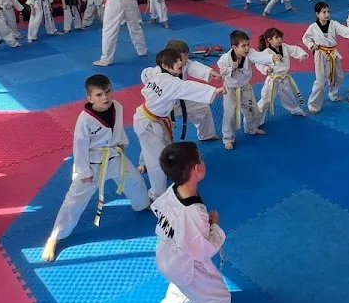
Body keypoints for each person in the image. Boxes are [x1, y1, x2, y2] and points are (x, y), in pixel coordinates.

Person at [41, 74, 151, 262]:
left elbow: (119, 129)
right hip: (92, 166)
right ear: (90, 98)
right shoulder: (85, 120)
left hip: (115, 156)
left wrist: (122, 143)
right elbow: (79, 147)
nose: (105, 97)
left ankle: (143, 204)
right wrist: (83, 172)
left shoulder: (117, 107)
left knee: (134, 180)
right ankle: (55, 236)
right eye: (99, 95)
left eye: (108, 92)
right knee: (74, 201)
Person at [152, 141, 230, 303]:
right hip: (188, 265)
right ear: (197, 168)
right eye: (201, 159)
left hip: (168, 257)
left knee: (183, 283)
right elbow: (202, 251)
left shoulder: (172, 191)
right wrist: (214, 226)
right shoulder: (193, 212)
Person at [135, 49, 224, 198]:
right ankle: (156, 195)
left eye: (180, 60)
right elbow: (188, 87)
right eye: (175, 61)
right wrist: (213, 91)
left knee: (159, 147)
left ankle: (149, 164)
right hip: (148, 122)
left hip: (157, 118)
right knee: (155, 159)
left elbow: (145, 74)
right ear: (165, 65)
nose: (180, 63)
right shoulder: (171, 82)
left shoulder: (156, 73)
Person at [217, 30, 275, 149]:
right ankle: (228, 139)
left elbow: (259, 57)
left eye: (248, 44)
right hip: (230, 90)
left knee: (253, 109)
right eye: (243, 46)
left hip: (245, 87)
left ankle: (251, 128)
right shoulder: (225, 58)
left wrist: (271, 57)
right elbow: (221, 72)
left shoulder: (250, 53)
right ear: (235, 47)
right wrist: (231, 68)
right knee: (230, 115)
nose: (247, 48)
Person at [301, 1, 349, 114]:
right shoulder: (313, 27)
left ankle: (333, 94)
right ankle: (313, 105)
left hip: (333, 53)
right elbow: (306, 38)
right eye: (324, 12)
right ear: (317, 14)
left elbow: (343, 30)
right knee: (321, 81)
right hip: (321, 54)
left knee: (338, 76)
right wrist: (311, 45)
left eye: (328, 12)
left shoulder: (333, 24)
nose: (327, 14)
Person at [165, 40, 221, 142]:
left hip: (180, 100)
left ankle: (207, 135)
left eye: (187, 55)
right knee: (162, 134)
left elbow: (191, 65)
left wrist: (210, 72)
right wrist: (213, 91)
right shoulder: (161, 72)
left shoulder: (183, 63)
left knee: (203, 109)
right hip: (163, 107)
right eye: (184, 56)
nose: (187, 58)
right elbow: (189, 87)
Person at [255, 27, 309, 117]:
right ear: (269, 40)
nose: (279, 39)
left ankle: (295, 110)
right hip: (273, 80)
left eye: (280, 37)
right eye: (276, 37)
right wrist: (266, 69)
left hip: (284, 78)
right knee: (266, 100)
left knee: (289, 97)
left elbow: (295, 49)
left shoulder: (285, 47)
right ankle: (255, 117)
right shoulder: (266, 52)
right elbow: (258, 63)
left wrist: (302, 55)